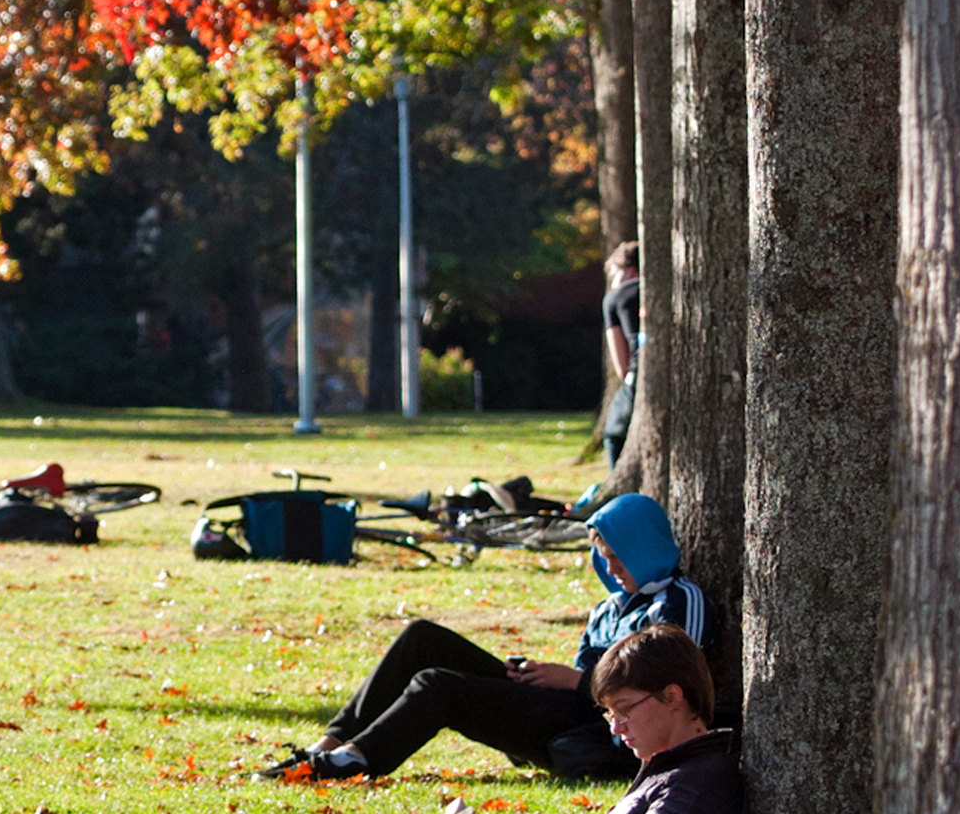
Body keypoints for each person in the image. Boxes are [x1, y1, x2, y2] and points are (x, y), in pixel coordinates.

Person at [254, 493, 718, 781]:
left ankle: (354, 761)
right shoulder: (609, 606)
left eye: (619, 557)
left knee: (438, 686)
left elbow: (674, 677)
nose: (612, 569)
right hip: (573, 698)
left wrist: (573, 682)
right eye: (606, 558)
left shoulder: (678, 598)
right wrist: (543, 675)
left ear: (644, 547)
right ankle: (330, 743)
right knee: (422, 638)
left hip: (601, 724)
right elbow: (586, 667)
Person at [591, 625, 742, 814]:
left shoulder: (697, 783)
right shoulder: (667, 770)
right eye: (611, 714)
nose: (616, 728)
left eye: (624, 710)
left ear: (671, 697)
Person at [602, 242, 641, 469]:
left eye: (615, 275)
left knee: (613, 433)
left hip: (639, 374)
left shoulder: (616, 298)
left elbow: (621, 363)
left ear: (630, 270)